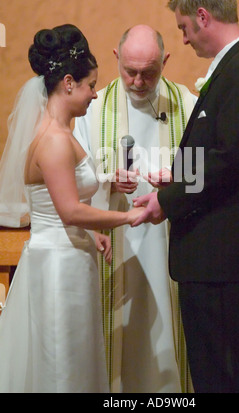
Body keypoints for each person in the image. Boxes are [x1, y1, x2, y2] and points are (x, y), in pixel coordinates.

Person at [132, 0, 239, 393]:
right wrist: (175, 174)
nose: (183, 40)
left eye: (184, 28)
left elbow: (228, 160)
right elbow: (220, 150)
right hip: (222, 257)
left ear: (203, 17)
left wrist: (167, 201)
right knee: (217, 371)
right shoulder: (236, 68)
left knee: (227, 374)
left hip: (227, 258)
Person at [0, 24, 143, 393]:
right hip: (58, 268)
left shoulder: (63, 133)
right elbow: (69, 212)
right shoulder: (53, 141)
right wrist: (127, 217)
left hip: (71, 258)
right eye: (90, 85)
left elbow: (62, 204)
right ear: (68, 83)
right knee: (62, 365)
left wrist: (91, 232)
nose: (95, 95)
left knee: (78, 359)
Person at [73, 24, 196, 393]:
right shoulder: (91, 108)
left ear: (166, 61)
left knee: (165, 333)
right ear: (115, 58)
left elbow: (203, 175)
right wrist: (109, 178)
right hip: (114, 240)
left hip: (167, 240)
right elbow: (72, 174)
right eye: (130, 71)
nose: (138, 81)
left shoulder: (187, 104)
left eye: (149, 72)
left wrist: (175, 179)